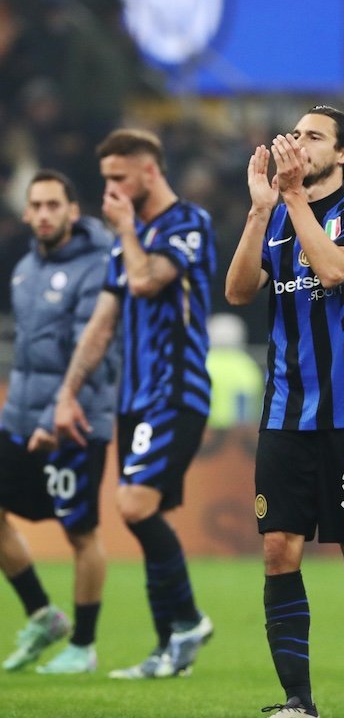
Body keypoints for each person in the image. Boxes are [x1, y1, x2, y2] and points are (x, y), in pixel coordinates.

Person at [226, 106, 344, 718]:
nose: (298, 143)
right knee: (279, 551)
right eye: (295, 134)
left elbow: (331, 270)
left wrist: (292, 199)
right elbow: (240, 291)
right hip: (285, 412)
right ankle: (298, 702)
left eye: (313, 136)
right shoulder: (274, 217)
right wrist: (258, 210)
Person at [54, 129, 215, 679]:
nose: (111, 191)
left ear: (151, 171)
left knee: (133, 506)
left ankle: (188, 622)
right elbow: (103, 321)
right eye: (105, 180)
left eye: (119, 178)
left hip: (175, 391)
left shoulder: (187, 223)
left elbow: (148, 283)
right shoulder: (131, 238)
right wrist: (67, 394)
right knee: (151, 515)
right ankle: (170, 648)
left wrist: (124, 231)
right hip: (134, 397)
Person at [0, 170, 116, 674]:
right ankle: (44, 615)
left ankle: (83, 646)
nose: (44, 214)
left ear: (73, 211)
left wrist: (54, 416)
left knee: (80, 532)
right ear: (27, 213)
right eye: (37, 206)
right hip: (20, 418)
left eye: (54, 205)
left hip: (76, 423)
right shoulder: (25, 268)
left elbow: (90, 353)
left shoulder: (96, 267)